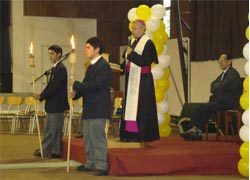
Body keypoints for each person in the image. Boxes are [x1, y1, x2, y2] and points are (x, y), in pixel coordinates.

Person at [72, 37, 111, 176]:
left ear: (97, 49)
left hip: (99, 107)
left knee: (97, 137)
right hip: (89, 107)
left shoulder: (104, 66)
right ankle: (91, 162)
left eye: (88, 47)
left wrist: (76, 84)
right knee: (88, 137)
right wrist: (75, 93)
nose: (85, 50)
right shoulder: (90, 67)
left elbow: (96, 85)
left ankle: (101, 165)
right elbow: (85, 86)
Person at [179, 54, 242, 140]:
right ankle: (195, 130)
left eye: (222, 61)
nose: (220, 63)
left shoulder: (233, 74)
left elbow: (221, 87)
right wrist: (218, 86)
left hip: (229, 102)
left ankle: (196, 131)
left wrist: (218, 86)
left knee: (206, 107)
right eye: (219, 61)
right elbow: (212, 86)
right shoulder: (223, 74)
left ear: (229, 61)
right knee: (202, 107)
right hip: (220, 102)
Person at [119, 19, 160, 147]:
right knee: (131, 108)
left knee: (142, 108)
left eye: (136, 28)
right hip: (132, 80)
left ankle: (143, 135)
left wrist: (131, 55)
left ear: (143, 29)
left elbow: (145, 61)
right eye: (132, 28)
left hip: (143, 81)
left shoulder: (148, 43)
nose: (133, 31)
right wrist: (119, 67)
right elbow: (127, 61)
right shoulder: (132, 42)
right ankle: (131, 134)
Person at [33, 45, 69, 158]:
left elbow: (54, 86)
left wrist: (41, 96)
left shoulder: (61, 69)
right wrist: (41, 95)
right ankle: (46, 150)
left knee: (56, 129)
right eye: (49, 53)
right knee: (49, 129)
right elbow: (50, 86)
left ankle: (56, 151)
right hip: (52, 104)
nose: (50, 56)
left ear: (59, 54)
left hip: (57, 104)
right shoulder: (54, 68)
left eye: (52, 53)